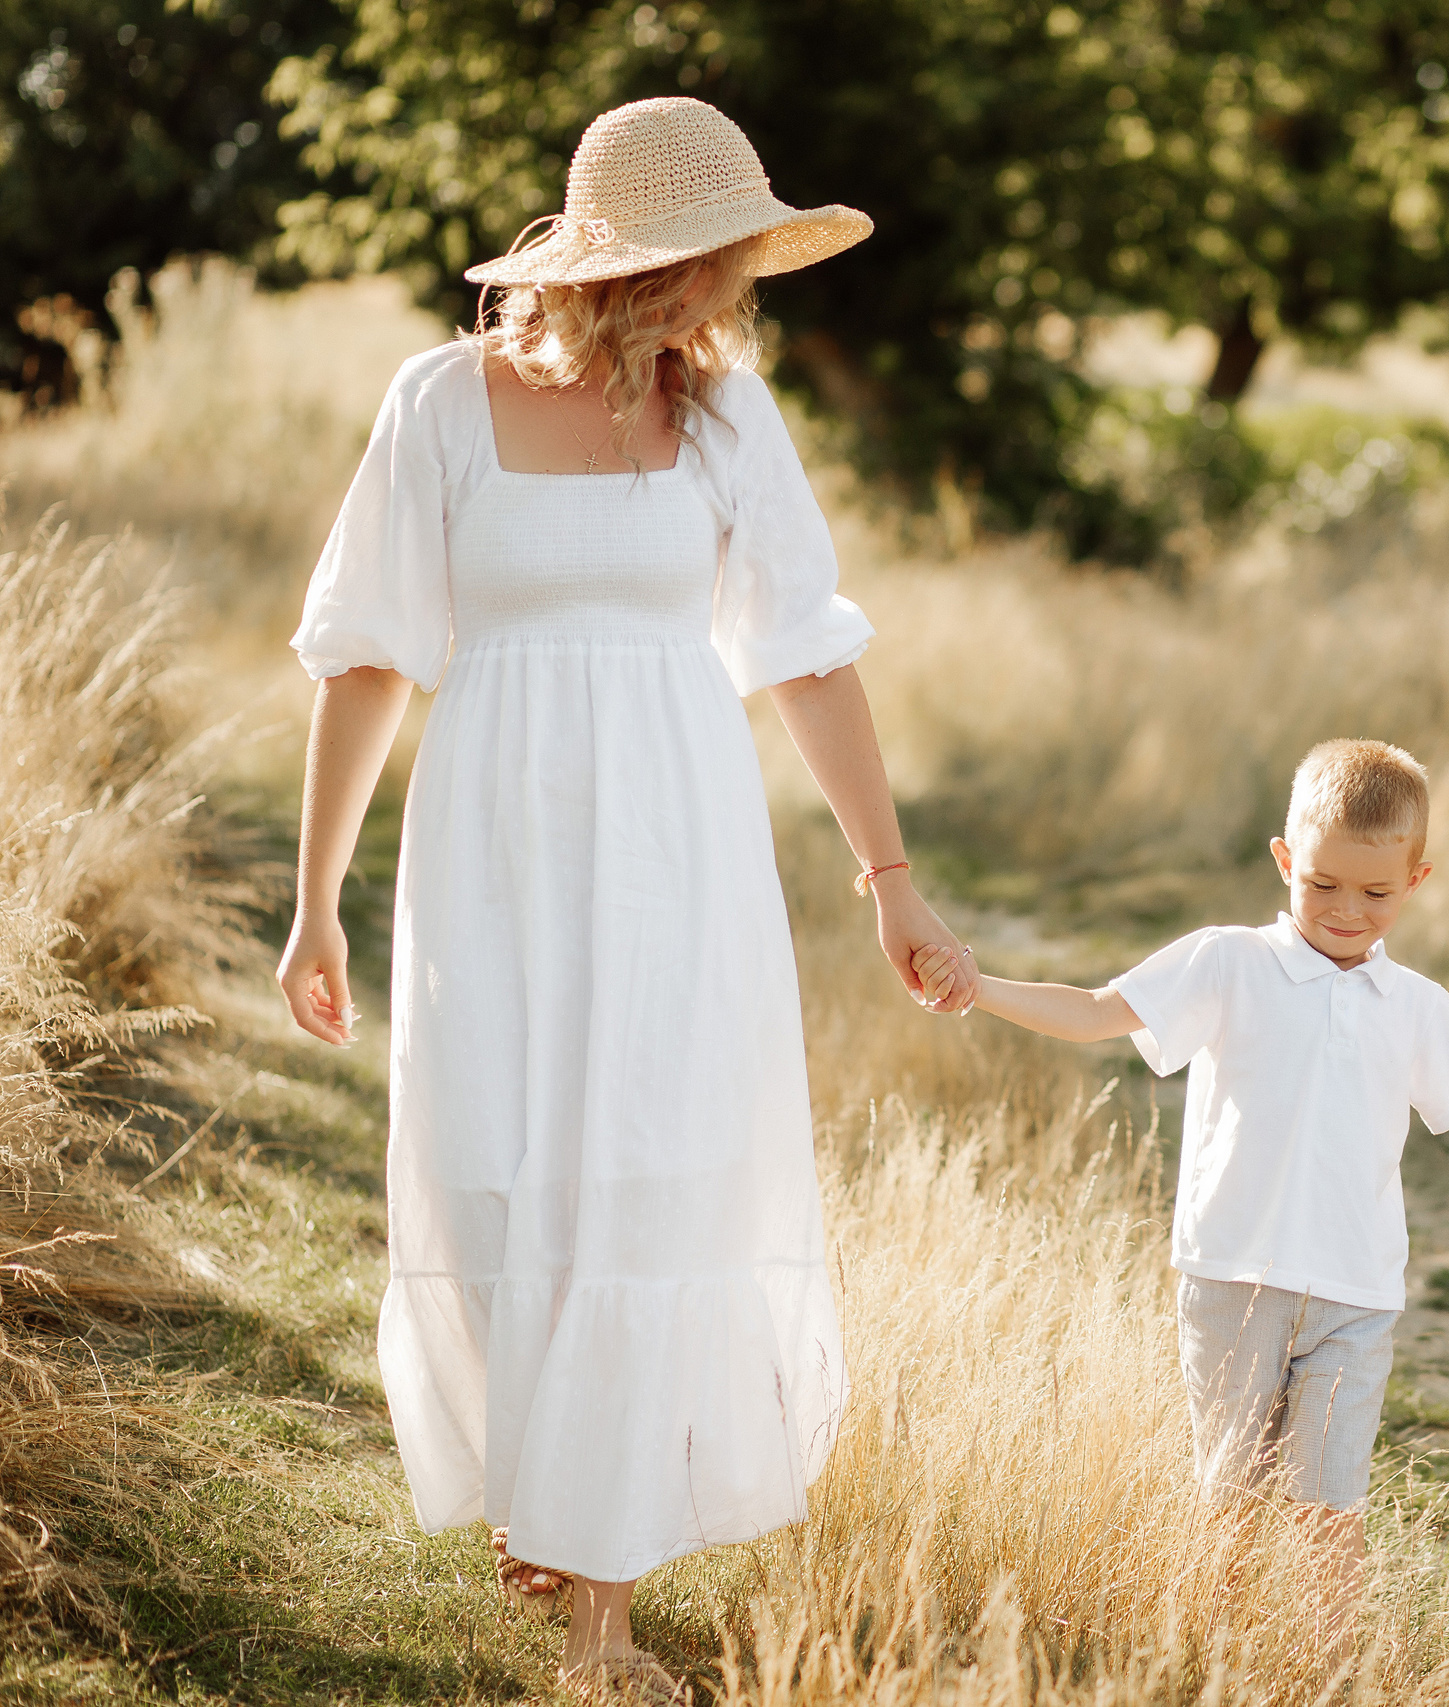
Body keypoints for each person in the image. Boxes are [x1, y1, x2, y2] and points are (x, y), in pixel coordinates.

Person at [275, 97, 979, 1703]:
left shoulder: (732, 422)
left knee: (652, 1175)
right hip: (496, 847)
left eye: (729, 269)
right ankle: (553, 1508)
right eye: (696, 265)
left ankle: (598, 1608)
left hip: (680, 845)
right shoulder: (441, 401)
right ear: (612, 260)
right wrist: (315, 898)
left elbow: (806, 646)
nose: (719, 300)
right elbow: (371, 648)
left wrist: (893, 878)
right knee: (511, 1164)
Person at [912, 739, 1449, 1612]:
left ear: (1416, 880)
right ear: (1285, 859)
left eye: (1376, 891)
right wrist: (977, 987)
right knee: (1231, 1509)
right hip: (1234, 1281)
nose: (1346, 910)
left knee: (1330, 1514)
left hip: (1356, 1299)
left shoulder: (1416, 1006)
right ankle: (1218, 1661)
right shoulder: (1228, 963)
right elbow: (1097, 1012)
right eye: (1322, 884)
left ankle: (1331, 1676)